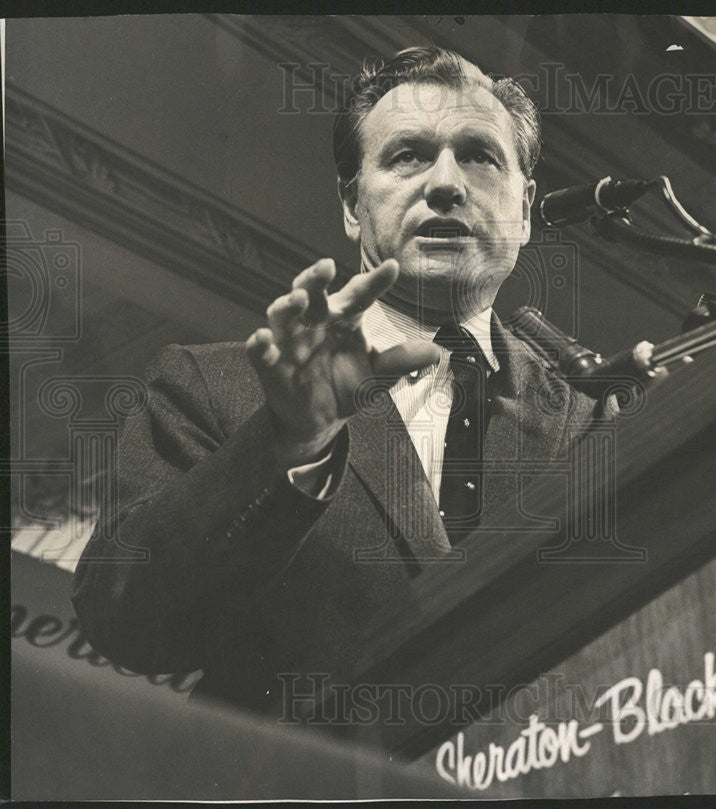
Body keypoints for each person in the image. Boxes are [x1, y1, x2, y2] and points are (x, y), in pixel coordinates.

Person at [72, 47, 613, 717]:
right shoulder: (209, 386)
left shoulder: (598, 416)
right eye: (408, 154)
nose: (447, 183)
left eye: (480, 155)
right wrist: (291, 441)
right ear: (354, 202)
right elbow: (125, 620)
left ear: (526, 209)